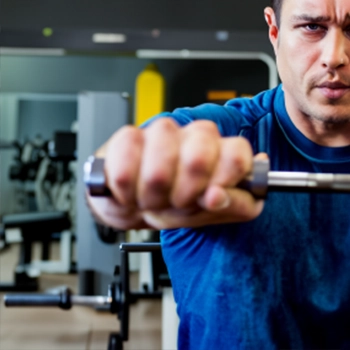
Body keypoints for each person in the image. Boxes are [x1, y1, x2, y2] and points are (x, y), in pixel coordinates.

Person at [88, 0, 350, 348]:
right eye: (312, 27)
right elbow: (129, 161)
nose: (335, 56)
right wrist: (118, 188)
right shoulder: (226, 132)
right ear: (274, 31)